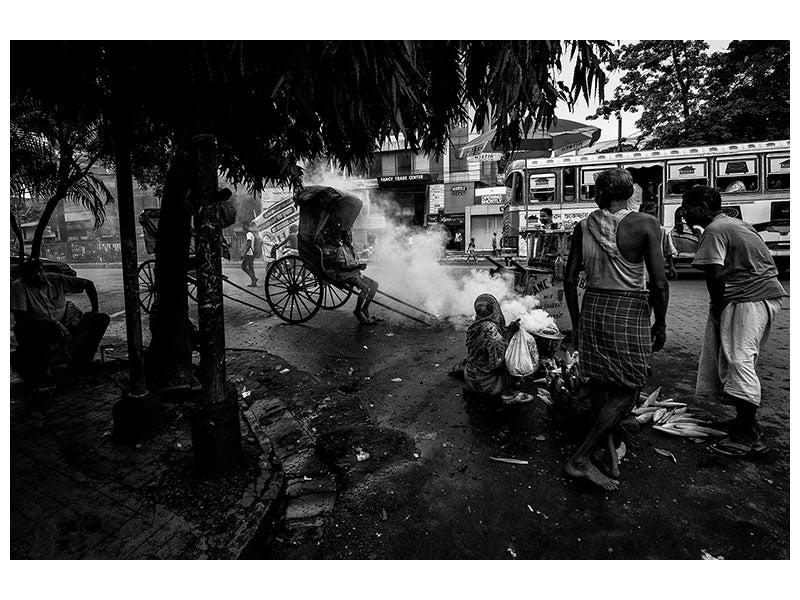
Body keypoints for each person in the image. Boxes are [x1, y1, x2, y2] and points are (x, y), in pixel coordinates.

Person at [564, 168, 667, 491]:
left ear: (599, 194)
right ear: (630, 193)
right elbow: (659, 282)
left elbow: (569, 279)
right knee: (628, 390)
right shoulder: (646, 223)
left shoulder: (584, 227)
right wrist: (660, 321)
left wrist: (577, 320)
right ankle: (581, 458)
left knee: (601, 383)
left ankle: (608, 452)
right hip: (629, 308)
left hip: (594, 305)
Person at [681, 185, 787, 457]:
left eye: (688, 206)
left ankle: (748, 435)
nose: (684, 212)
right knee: (739, 358)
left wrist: (717, 306)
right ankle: (741, 422)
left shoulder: (715, 230)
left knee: (739, 360)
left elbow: (714, 273)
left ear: (703, 206)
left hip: (748, 297)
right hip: (762, 294)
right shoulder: (734, 223)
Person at [11, 259, 110, 388]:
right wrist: (55, 325)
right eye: (33, 273)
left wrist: (94, 310)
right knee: (36, 331)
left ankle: (82, 361)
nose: (39, 275)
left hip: (66, 319)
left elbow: (88, 285)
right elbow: (21, 317)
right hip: (39, 324)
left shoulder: (55, 279)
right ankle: (44, 369)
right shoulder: (19, 287)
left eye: (40, 271)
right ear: (25, 276)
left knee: (101, 319)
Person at [450, 294, 533, 405]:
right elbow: (499, 358)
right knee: (515, 364)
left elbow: (491, 341)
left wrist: (508, 331)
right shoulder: (490, 328)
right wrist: (511, 333)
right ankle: (507, 394)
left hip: (471, 375)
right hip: (485, 383)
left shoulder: (476, 324)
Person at [327, 230, 381, 324]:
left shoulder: (352, 248)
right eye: (347, 236)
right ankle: (357, 311)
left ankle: (365, 308)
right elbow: (343, 267)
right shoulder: (341, 250)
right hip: (346, 275)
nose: (349, 238)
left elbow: (356, 262)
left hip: (355, 273)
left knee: (375, 285)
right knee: (365, 288)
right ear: (343, 238)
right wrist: (358, 266)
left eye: (350, 236)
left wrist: (359, 266)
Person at [639, 202, 678, 280]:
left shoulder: (662, 231)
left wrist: (671, 266)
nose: (648, 217)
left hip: (656, 269)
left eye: (652, 214)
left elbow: (668, 251)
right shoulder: (635, 230)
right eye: (645, 214)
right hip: (639, 269)